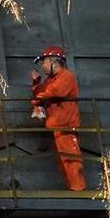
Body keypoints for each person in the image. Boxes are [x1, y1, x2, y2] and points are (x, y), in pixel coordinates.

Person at [30, 46, 86, 191]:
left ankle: (78, 189)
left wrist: (38, 99)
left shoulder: (66, 77)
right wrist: (36, 83)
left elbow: (53, 92)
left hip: (66, 126)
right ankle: (73, 188)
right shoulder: (51, 80)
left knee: (70, 158)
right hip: (56, 127)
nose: (43, 66)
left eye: (44, 62)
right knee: (63, 160)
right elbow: (40, 94)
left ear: (53, 61)